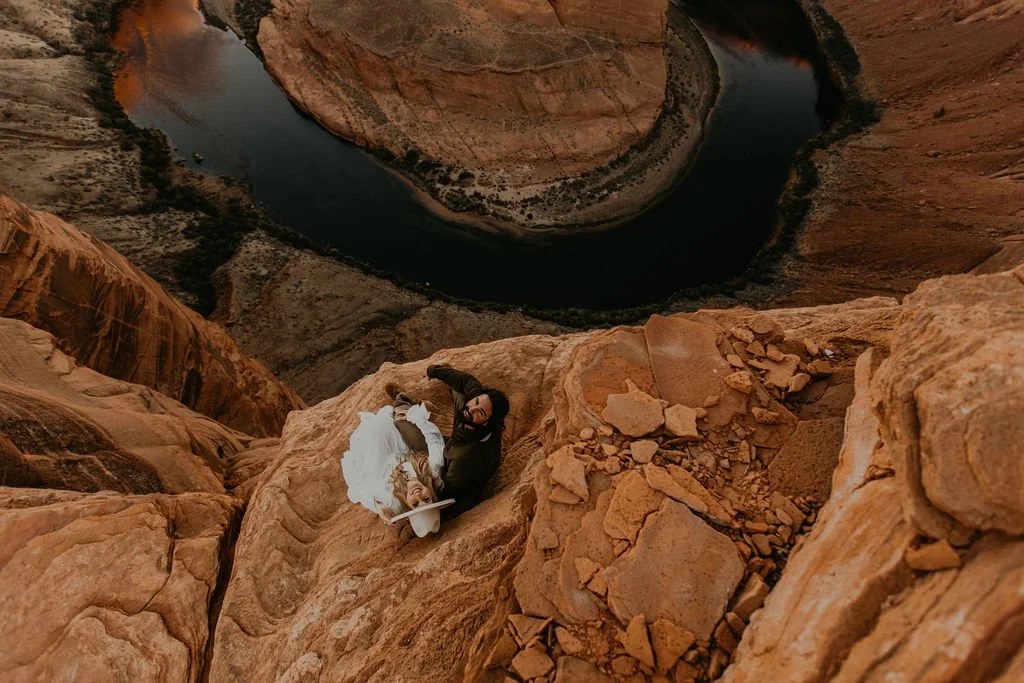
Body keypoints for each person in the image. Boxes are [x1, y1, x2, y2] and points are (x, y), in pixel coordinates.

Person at [388, 364, 509, 519]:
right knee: (460, 389)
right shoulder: (474, 409)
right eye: (476, 402)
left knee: (402, 423)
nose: (472, 409)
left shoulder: (467, 459)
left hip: (453, 468)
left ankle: (403, 400)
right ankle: (436, 393)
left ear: (487, 423)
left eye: (481, 412)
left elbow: (447, 492)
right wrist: (436, 371)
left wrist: (416, 483)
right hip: (456, 444)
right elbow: (467, 382)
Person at [340, 403, 447, 537]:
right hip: (400, 445)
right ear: (432, 495)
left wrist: (378, 507)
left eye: (415, 503)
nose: (418, 495)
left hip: (378, 461)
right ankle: (399, 405)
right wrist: (416, 418)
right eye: (426, 499)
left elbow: (360, 490)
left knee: (372, 434)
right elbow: (434, 441)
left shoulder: (394, 501)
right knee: (387, 419)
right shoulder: (433, 473)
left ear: (408, 505)